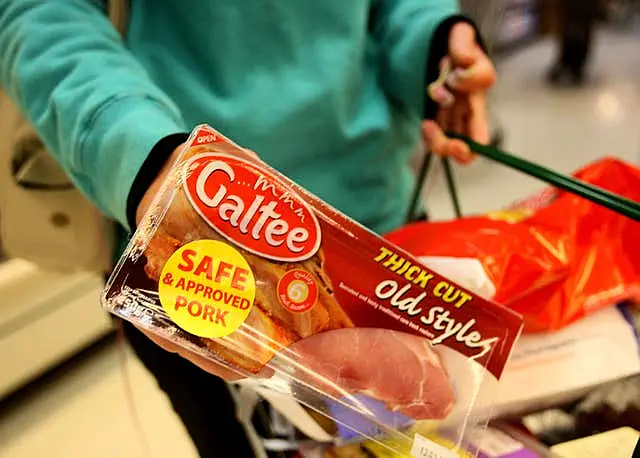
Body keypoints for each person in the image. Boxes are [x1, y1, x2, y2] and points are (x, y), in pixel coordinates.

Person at [0, 1, 496, 456]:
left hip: (374, 229)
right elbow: (44, 14)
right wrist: (139, 152)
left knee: (426, 440)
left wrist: (432, 46)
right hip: (190, 244)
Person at [548, 0, 600, 85]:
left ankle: (570, 66)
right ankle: (575, 68)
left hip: (577, 12)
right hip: (581, 13)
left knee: (574, 35)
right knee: (578, 35)